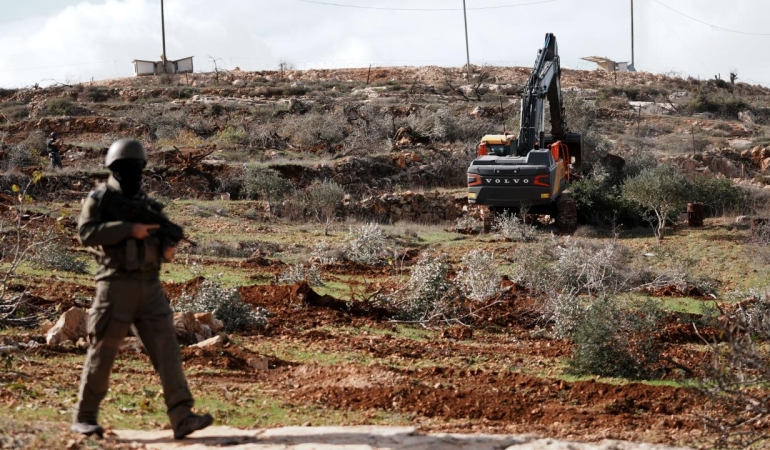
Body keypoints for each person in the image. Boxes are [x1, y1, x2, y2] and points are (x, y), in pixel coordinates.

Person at [71, 139, 213, 439]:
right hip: (115, 285)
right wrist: (128, 229)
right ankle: (85, 417)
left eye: (136, 167)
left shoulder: (146, 205)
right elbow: (85, 233)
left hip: (150, 287)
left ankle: (182, 417)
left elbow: (158, 247)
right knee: (103, 352)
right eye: (126, 167)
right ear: (114, 168)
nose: (132, 172)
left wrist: (166, 248)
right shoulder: (100, 199)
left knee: (168, 352)